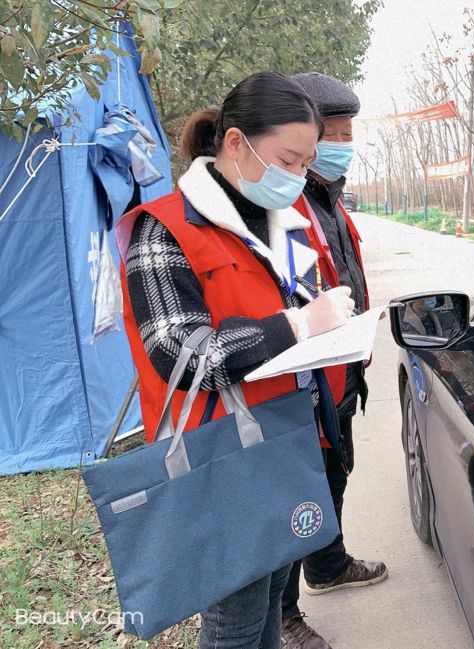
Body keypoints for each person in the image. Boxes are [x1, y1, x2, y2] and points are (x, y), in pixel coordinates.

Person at [116, 72, 355, 649]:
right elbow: (179, 356)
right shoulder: (164, 229)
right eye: (288, 160)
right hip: (218, 454)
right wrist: (297, 324)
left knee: (272, 597)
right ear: (235, 144)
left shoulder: (289, 222)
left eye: (306, 164)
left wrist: (335, 322)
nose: (297, 177)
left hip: (287, 438)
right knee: (235, 624)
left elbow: (308, 300)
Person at [278, 72, 386, 649]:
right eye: (333, 134)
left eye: (349, 133)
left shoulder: (331, 200)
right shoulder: (289, 208)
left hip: (344, 372)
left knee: (334, 474)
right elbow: (298, 295)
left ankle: (328, 565)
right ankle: (285, 613)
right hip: (308, 381)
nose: (343, 145)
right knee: (302, 488)